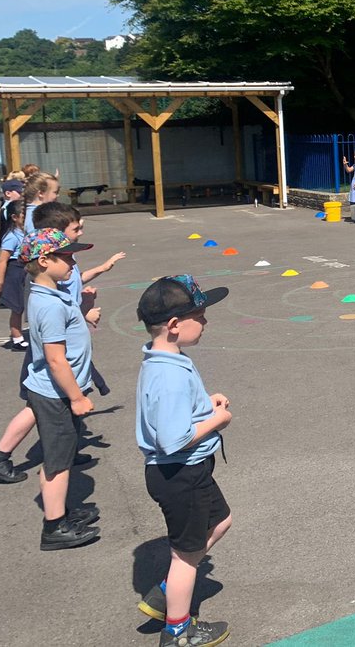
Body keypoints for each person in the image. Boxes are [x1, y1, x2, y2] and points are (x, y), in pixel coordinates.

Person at [0, 202, 124, 483]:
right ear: (56, 235)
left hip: (61, 343)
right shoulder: (56, 270)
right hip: (56, 347)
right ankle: (2, 457)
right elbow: (61, 313)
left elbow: (71, 297)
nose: (80, 231)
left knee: (54, 399)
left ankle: (55, 450)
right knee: (47, 400)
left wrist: (93, 286)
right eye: (75, 228)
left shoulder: (63, 262)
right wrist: (85, 312)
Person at [134, 275, 233, 647]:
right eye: (201, 315)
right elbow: (173, 439)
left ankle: (166, 592)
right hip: (179, 473)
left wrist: (206, 403)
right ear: (175, 325)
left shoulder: (165, 356)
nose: (205, 322)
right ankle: (177, 631)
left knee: (221, 520)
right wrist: (216, 420)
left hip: (188, 470)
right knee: (187, 556)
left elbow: (174, 413)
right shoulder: (168, 374)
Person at [15, 229, 101, 549]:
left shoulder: (53, 293)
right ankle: (54, 527)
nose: (72, 261)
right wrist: (76, 397)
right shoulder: (47, 304)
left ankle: (61, 513)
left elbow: (68, 324)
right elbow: (55, 359)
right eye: (66, 257)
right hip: (56, 394)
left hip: (58, 392)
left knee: (61, 455)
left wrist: (85, 307)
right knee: (58, 462)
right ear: (43, 260)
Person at [0, 197, 28, 350]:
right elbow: (2, 261)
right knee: (17, 307)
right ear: (14, 217)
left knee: (30, 303)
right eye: (24, 216)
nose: (28, 220)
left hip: (26, 270)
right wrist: (0, 283)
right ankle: (17, 338)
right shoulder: (11, 236)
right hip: (15, 272)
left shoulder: (27, 232)